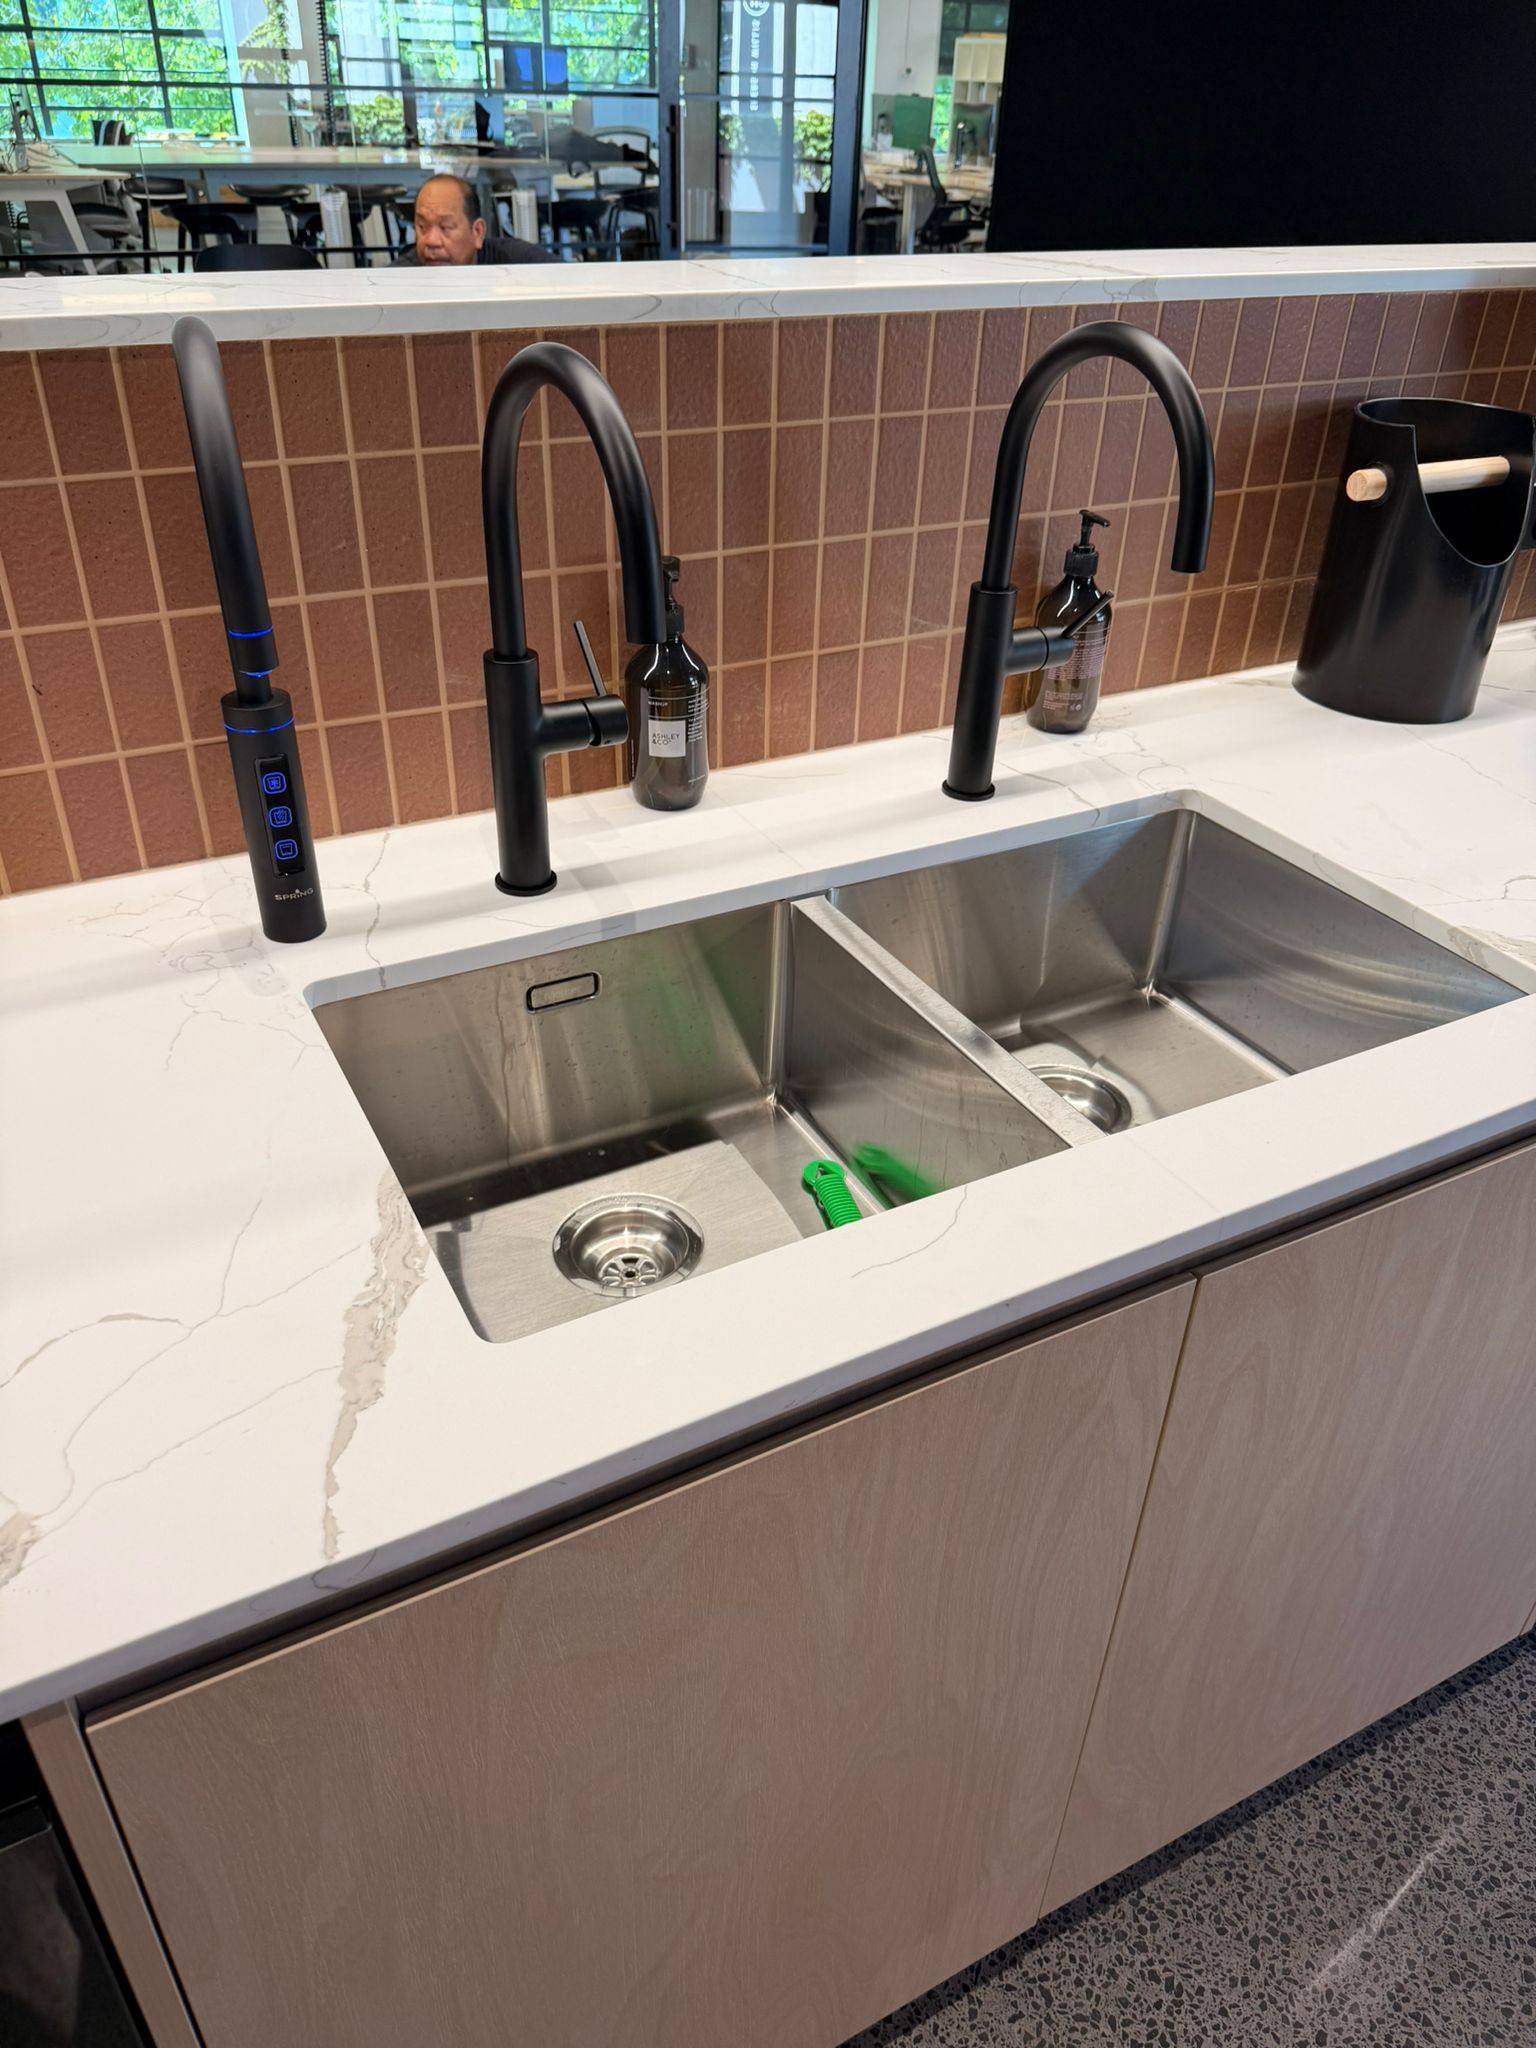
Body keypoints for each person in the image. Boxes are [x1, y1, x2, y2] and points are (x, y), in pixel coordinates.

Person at [401, 174, 555, 267]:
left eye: (445, 227)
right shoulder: (399, 279)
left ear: (477, 232)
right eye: (422, 227)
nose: (432, 241)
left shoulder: (516, 262)